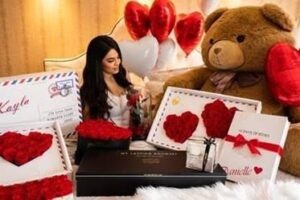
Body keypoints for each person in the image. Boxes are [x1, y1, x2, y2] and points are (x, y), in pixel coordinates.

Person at [80, 35, 132, 127]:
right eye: (111, 60)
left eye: (118, 58)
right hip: (108, 139)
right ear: (97, 62)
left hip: (132, 135)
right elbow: (87, 127)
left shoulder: (124, 76)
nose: (117, 63)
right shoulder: (89, 90)